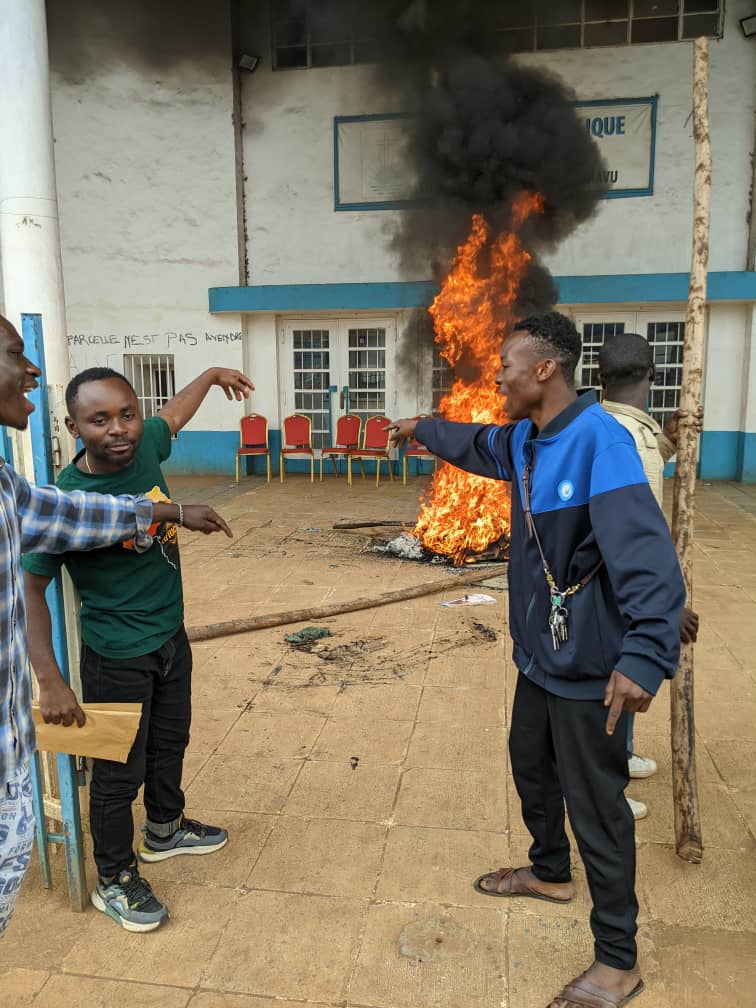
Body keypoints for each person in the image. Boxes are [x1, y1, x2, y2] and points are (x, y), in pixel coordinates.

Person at [389, 312, 684, 1008]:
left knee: (599, 810)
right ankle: (550, 872)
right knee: (531, 767)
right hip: (540, 658)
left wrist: (644, 657)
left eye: (507, 364)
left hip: (592, 668)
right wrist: (422, 428)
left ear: (545, 369)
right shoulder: (527, 439)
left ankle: (618, 962)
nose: (498, 375)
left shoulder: (599, 444)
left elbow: (650, 564)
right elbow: (476, 442)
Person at [0, 314, 231, 939]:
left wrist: (210, 373)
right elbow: (29, 586)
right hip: (115, 654)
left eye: (126, 414)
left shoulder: (147, 443)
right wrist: (49, 679)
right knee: (115, 771)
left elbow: (173, 415)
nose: (119, 429)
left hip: (168, 638)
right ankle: (113, 876)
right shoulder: (63, 493)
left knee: (169, 742)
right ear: (74, 427)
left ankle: (165, 828)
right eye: (99, 420)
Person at [598, 332, 702, 821]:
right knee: (623, 677)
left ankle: (622, 756)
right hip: (625, 590)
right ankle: (607, 786)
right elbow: (632, 540)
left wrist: (668, 440)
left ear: (599, 379)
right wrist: (667, 606)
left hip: (616, 588)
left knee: (622, 676)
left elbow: (646, 457)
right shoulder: (625, 442)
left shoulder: (616, 428)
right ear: (652, 375)